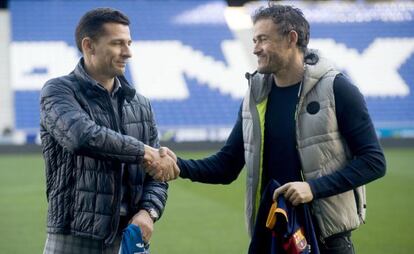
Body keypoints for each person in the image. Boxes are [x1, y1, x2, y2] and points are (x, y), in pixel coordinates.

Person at [168, 4, 386, 253]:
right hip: (271, 235)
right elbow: (226, 166)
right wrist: (177, 165)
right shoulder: (256, 94)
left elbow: (373, 161)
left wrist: (313, 189)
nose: (255, 48)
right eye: (254, 40)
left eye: (262, 39)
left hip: (326, 240)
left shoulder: (337, 89)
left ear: (291, 38)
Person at [40, 8, 179, 254]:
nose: (128, 52)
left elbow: (156, 175)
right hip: (73, 238)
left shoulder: (140, 104)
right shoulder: (58, 91)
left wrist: (149, 212)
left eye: (129, 43)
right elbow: (81, 136)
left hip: (129, 237)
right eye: (117, 44)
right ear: (89, 45)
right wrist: (145, 152)